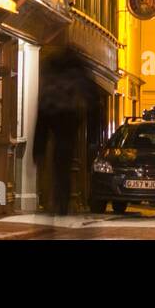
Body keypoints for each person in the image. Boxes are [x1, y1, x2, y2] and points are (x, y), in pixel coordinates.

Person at [33, 46, 99, 215]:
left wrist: (38, 146)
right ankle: (61, 200)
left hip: (53, 115)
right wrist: (93, 137)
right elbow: (94, 106)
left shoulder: (52, 73)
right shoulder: (79, 74)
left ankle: (57, 199)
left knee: (59, 160)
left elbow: (42, 111)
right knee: (64, 158)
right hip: (70, 118)